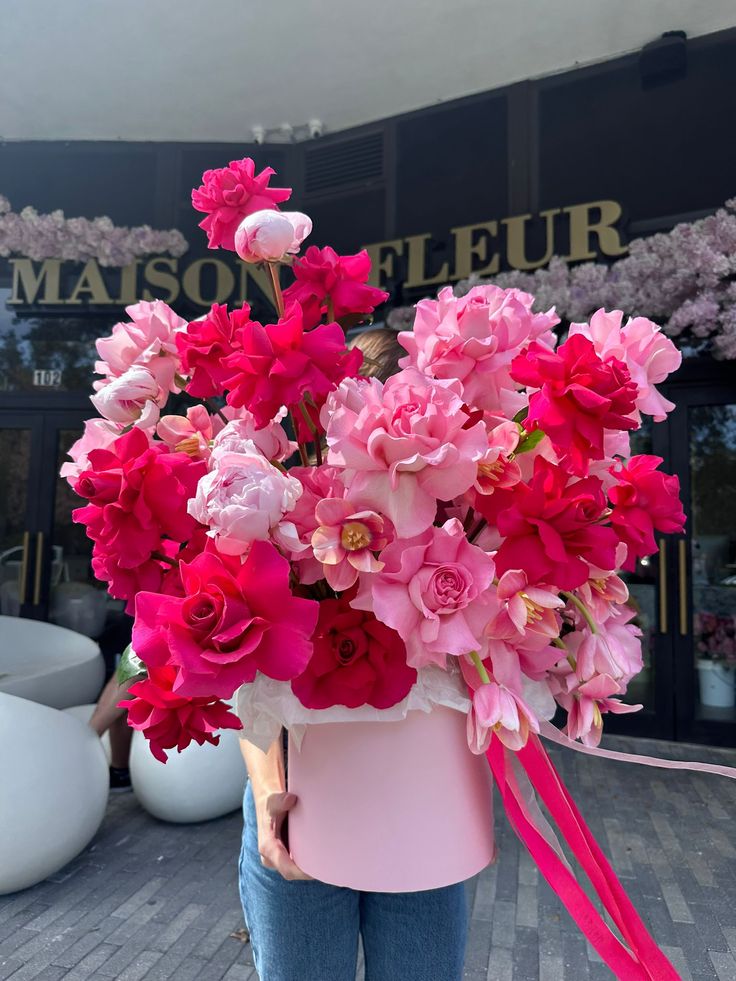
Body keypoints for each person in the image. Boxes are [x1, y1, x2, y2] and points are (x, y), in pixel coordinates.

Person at [237, 327, 470, 981]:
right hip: (302, 812)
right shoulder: (285, 516)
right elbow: (246, 675)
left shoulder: (461, 529)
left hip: (421, 815)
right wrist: (266, 794)